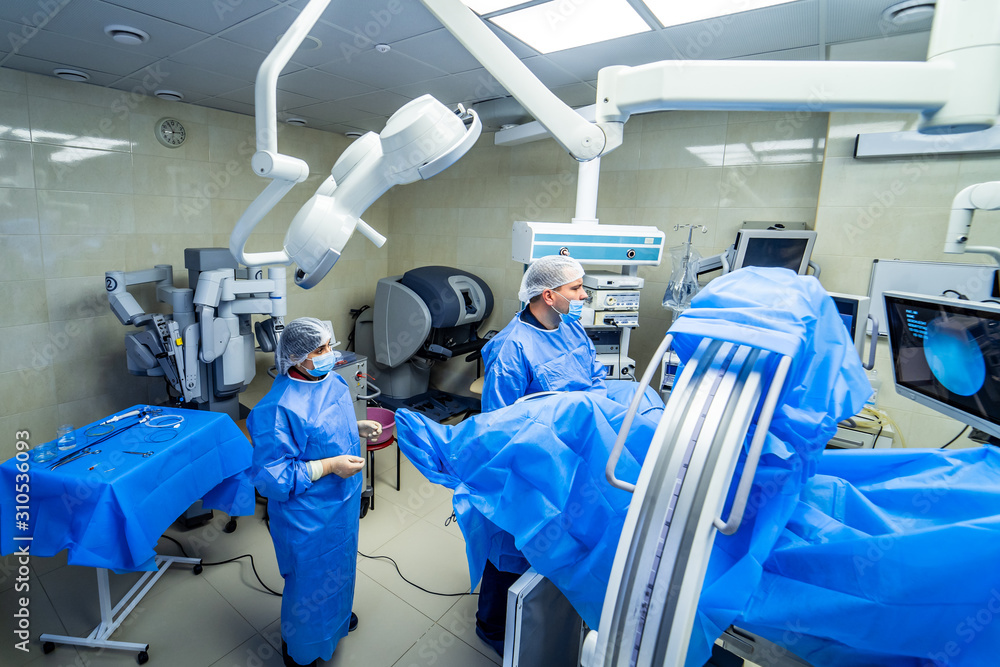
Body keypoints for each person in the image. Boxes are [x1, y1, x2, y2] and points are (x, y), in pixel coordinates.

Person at [474, 254, 606, 656]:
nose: (584, 295)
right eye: (576, 289)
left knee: (554, 539)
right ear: (548, 295)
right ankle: (492, 626)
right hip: (528, 467)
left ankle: (537, 610)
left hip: (572, 456)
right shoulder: (511, 349)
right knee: (512, 545)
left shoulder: (571, 329)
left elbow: (594, 375)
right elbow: (498, 426)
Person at [247, 317, 383, 667]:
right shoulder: (277, 409)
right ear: (296, 357)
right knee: (310, 581)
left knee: (341, 566)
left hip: (343, 502)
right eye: (319, 349)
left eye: (328, 346)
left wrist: (356, 425)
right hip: (307, 515)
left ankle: (336, 621)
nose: (329, 354)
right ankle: (302, 649)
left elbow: (323, 428)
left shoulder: (332, 381)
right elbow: (273, 478)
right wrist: (329, 466)